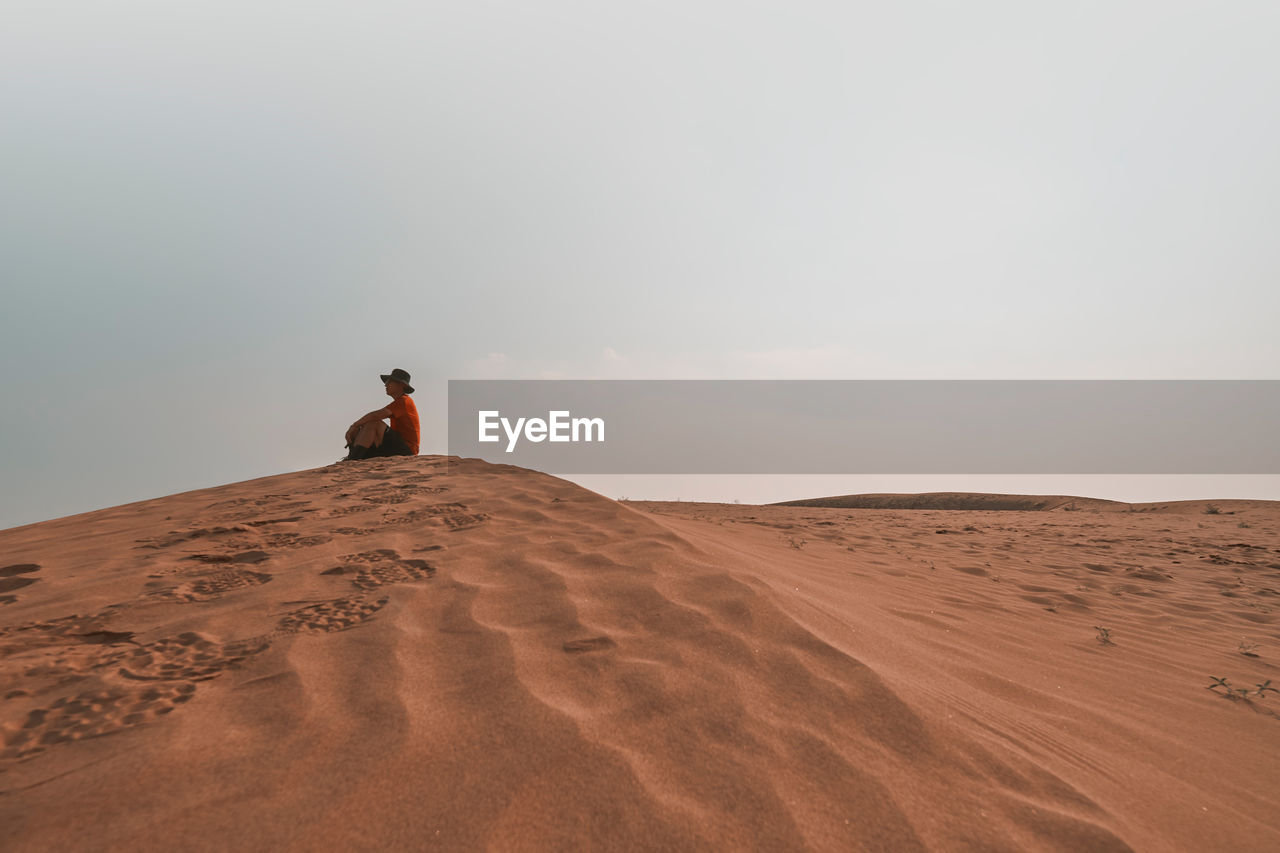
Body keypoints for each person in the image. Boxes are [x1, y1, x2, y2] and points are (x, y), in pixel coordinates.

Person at [344, 368, 420, 460]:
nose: (386, 384)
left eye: (389, 382)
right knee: (365, 426)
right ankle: (353, 457)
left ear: (401, 385)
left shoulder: (404, 401)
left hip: (408, 451)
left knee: (373, 423)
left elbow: (377, 415)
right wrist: (357, 427)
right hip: (395, 448)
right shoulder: (399, 402)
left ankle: (353, 459)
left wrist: (354, 426)